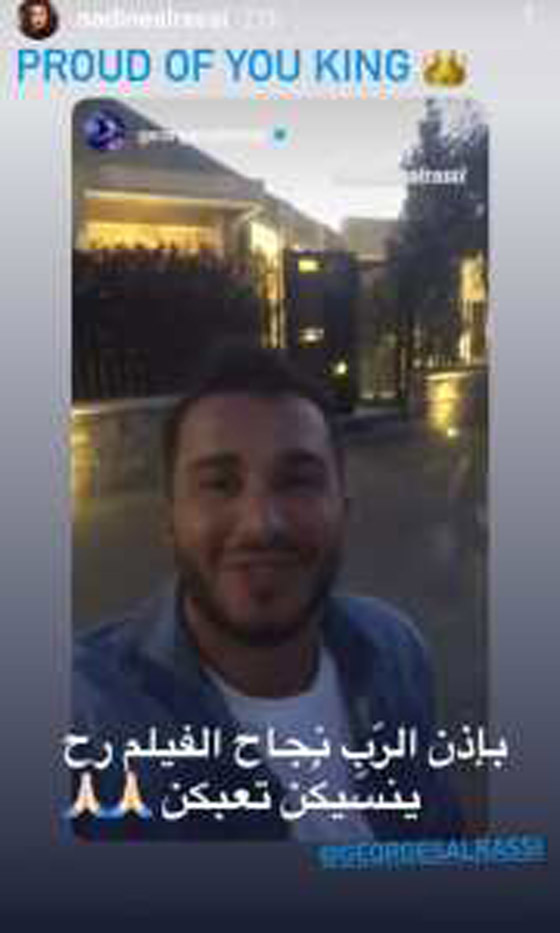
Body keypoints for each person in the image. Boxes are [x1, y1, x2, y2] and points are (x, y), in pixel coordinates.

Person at [72, 342, 463, 841]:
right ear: (170, 519)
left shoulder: (395, 651)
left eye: (297, 481)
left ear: (344, 510)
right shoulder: (86, 718)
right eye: (219, 484)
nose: (261, 524)